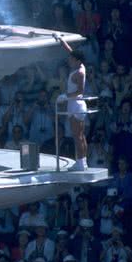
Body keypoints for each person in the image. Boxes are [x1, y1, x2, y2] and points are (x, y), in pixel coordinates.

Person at [54, 35, 89, 171]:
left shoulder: (80, 72)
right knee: (80, 135)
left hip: (76, 105)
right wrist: (62, 41)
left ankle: (80, 162)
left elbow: (80, 91)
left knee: (77, 136)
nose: (69, 60)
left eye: (71, 59)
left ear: (77, 60)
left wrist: (65, 96)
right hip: (75, 105)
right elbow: (70, 51)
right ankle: (83, 161)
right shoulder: (80, 65)